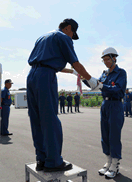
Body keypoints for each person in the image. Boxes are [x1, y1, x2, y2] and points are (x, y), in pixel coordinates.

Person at [27, 18, 98, 172]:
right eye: (73, 33)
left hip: (32, 75)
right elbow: (76, 63)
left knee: (36, 119)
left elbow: (48, 61)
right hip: (46, 77)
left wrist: (71, 72)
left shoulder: (43, 37)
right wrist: (91, 80)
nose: (72, 37)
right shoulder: (63, 37)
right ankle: (53, 162)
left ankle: (41, 159)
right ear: (68, 28)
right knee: (50, 120)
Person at [83, 47, 127, 179]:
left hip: (115, 104)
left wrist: (102, 86)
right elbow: (95, 85)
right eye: (104, 60)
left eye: (107, 59)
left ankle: (115, 164)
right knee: (105, 135)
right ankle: (108, 161)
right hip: (105, 105)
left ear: (114, 58)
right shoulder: (104, 73)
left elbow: (117, 88)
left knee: (114, 135)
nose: (106, 62)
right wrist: (83, 77)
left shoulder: (121, 73)